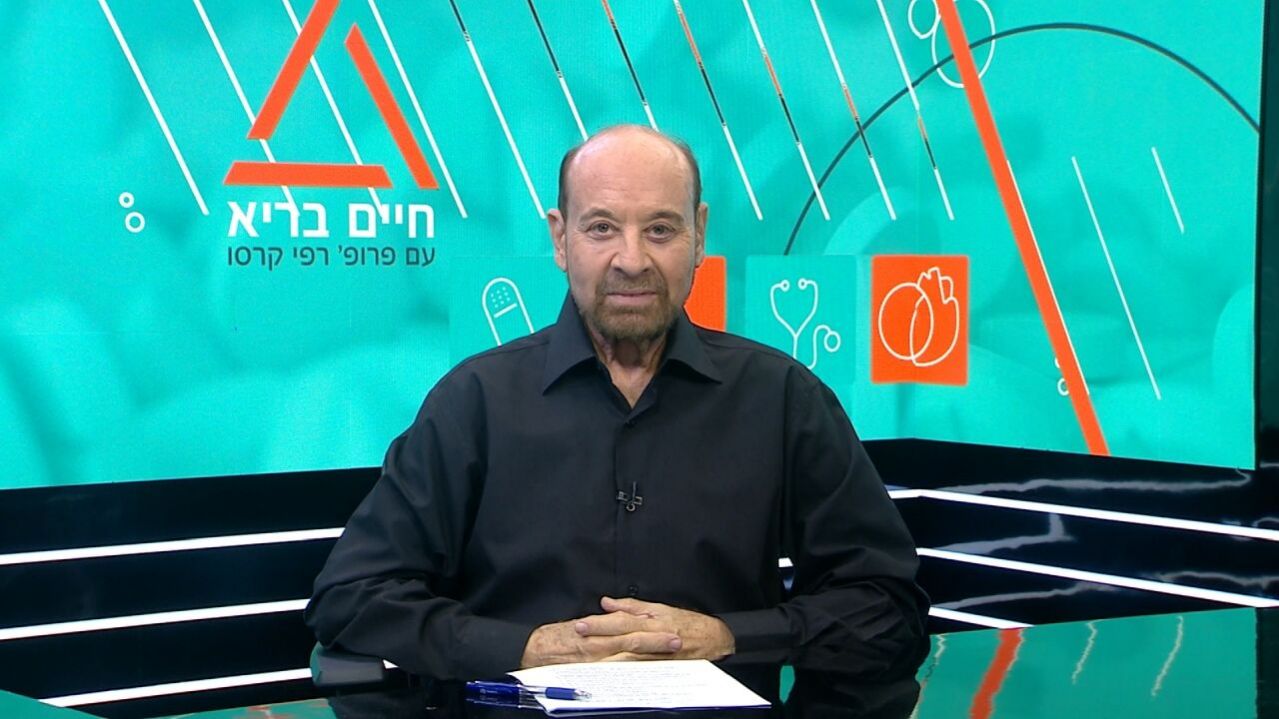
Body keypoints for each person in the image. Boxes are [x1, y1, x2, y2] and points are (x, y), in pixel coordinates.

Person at [305, 125, 929, 681]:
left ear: (699, 236)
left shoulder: (782, 396)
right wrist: (525, 647)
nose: (632, 261)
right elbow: (352, 597)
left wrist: (729, 637)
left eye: (660, 229)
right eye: (602, 228)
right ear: (560, 239)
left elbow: (887, 604)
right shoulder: (474, 402)